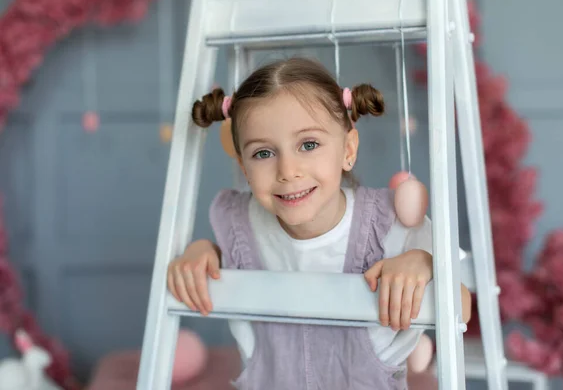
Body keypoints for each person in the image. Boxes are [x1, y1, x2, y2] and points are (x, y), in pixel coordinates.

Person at [167, 57, 471, 389]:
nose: (287, 170)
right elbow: (228, 258)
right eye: (263, 153)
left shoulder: (387, 223)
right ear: (243, 165)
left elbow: (463, 308)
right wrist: (202, 251)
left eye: (308, 145)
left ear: (348, 150)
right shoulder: (240, 221)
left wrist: (424, 262)